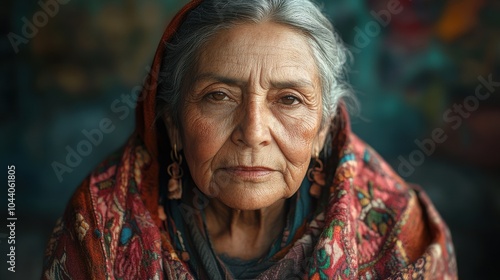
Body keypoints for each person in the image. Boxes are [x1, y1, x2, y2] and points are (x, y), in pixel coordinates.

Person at [42, 0, 457, 279]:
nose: (253, 132)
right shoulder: (97, 229)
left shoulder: (401, 238)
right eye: (219, 96)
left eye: (289, 99)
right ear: (172, 124)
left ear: (324, 130)